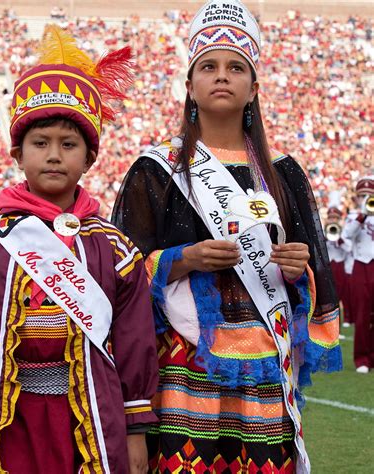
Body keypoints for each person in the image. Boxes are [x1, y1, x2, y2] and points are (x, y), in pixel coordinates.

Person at [112, 1, 341, 472]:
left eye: (236, 67)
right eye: (209, 66)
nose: (222, 75)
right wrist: (187, 258)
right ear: (190, 85)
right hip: (185, 359)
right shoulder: (156, 171)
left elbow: (312, 269)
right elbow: (122, 270)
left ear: (253, 87)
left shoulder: (284, 174)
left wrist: (299, 268)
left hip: (265, 360)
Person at [0, 26, 158, 473]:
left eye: (68, 144)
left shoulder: (114, 249)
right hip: (5, 415)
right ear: (17, 153)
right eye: (40, 143)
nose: (54, 155)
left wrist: (135, 430)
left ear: (89, 158)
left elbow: (134, 340)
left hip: (89, 414)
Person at [341, 176, 374, 373]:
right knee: (362, 315)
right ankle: (362, 359)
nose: (367, 198)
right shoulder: (355, 217)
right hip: (361, 266)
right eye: (364, 195)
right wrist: (363, 214)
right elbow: (346, 236)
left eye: (370, 196)